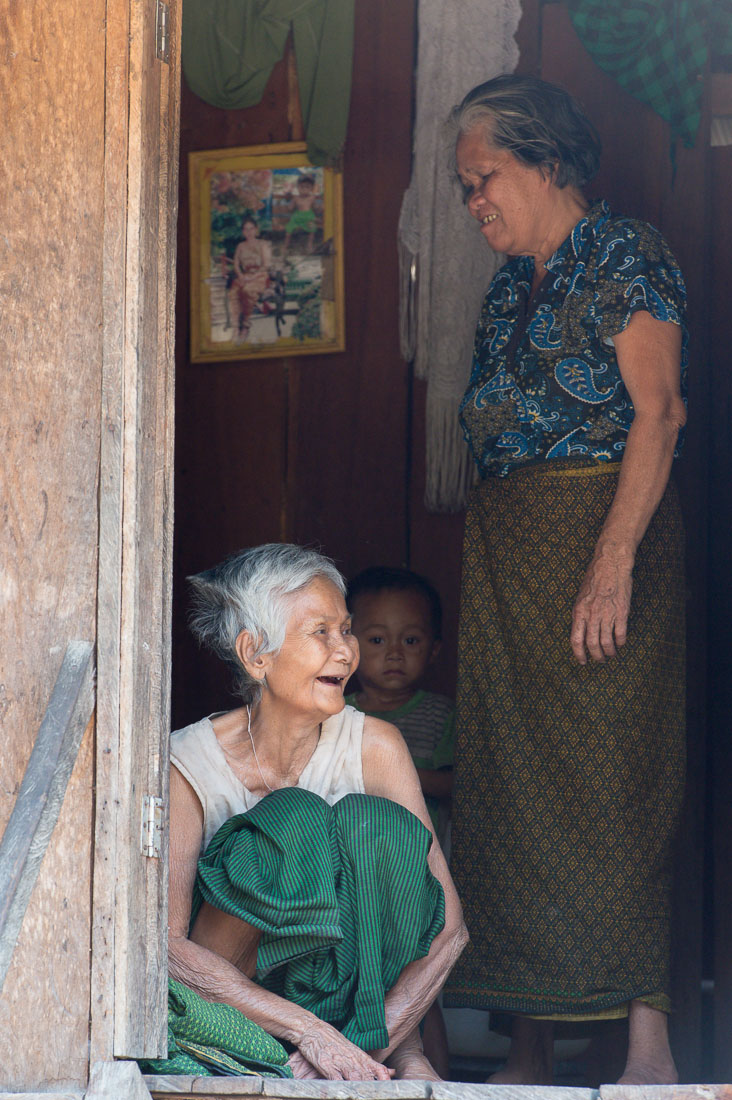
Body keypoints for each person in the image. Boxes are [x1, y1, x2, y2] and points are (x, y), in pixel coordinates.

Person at [442, 74, 687, 1086]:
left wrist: (611, 563)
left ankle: (646, 1041)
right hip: (507, 567)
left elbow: (659, 413)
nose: (474, 202)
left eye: (483, 176)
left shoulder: (627, 254)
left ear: (546, 161)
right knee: (508, 797)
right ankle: (532, 1039)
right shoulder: (507, 287)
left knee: (611, 787)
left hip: (603, 553)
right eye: (463, 188)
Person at [169, 543, 468, 1082]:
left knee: (375, 828)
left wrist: (358, 1049)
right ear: (256, 655)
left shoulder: (376, 745)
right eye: (320, 632)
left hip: (350, 1026)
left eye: (347, 629)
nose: (345, 651)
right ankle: (265, 1054)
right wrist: (309, 1033)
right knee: (292, 819)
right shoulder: (189, 761)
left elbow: (450, 930)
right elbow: (166, 948)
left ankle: (398, 1051)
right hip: (236, 1015)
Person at [345, 565, 455, 1079]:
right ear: (348, 645)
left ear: (434, 648)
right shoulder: (337, 712)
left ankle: (439, 1074)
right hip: (356, 869)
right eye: (376, 638)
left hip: (421, 870)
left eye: (410, 639)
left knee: (421, 975)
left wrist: (396, 772)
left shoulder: (441, 715)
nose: (393, 653)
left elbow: (459, 784)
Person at [227, 216, 272, 339]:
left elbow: (266, 265)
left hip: (260, 276)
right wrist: (241, 276)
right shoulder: (240, 246)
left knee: (247, 290)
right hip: (245, 276)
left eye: (251, 229)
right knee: (233, 293)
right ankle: (236, 327)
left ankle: (246, 324)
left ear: (256, 230)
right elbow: (236, 264)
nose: (249, 232)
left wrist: (252, 278)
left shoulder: (263, 244)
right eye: (246, 229)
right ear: (243, 231)